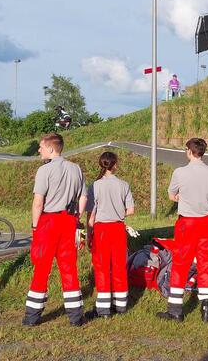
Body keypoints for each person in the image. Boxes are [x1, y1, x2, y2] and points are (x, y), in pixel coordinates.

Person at [24, 133, 86, 327]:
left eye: (41, 147)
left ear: (51, 149)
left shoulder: (44, 171)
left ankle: (32, 316)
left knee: (42, 268)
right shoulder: (76, 169)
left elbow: (38, 202)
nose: (39, 150)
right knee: (69, 268)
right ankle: (76, 317)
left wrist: (35, 226)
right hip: (69, 221)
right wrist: (76, 217)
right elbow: (83, 198)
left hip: (48, 222)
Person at [158, 137, 208, 324]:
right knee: (206, 263)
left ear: (190, 152)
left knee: (181, 263)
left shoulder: (180, 172)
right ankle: (206, 308)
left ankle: (175, 310)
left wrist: (182, 198)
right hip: (207, 222)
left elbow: (172, 195)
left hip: (187, 223)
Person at [85, 151, 134, 319]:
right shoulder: (124, 185)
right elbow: (131, 210)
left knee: (102, 267)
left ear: (101, 164)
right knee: (119, 266)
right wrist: (118, 213)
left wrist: (88, 234)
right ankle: (121, 306)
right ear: (115, 165)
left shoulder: (95, 186)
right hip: (118, 229)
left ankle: (103, 309)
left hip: (101, 230)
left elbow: (91, 215)